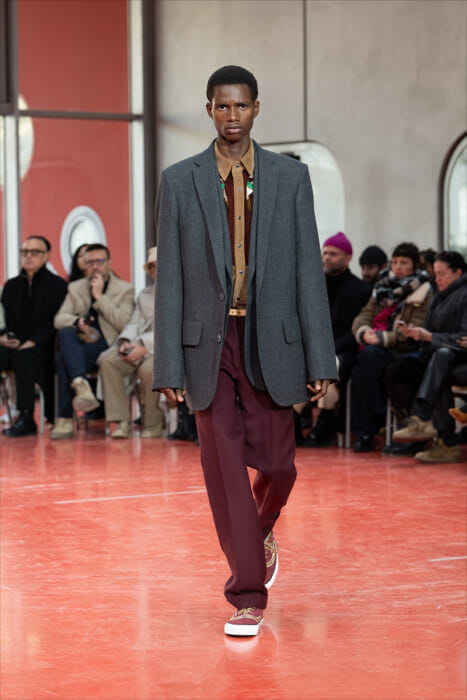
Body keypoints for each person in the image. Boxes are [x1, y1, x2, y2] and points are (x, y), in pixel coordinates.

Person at [152, 65, 336, 637]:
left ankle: (259, 529)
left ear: (257, 108)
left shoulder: (290, 177)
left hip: (271, 338)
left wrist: (321, 359)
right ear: (209, 109)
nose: (232, 116)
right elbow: (171, 278)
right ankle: (247, 595)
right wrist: (168, 364)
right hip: (206, 344)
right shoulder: (179, 180)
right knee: (225, 468)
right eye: (222, 106)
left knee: (279, 465)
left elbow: (308, 273)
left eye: (241, 106)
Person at [350, 242, 433, 452]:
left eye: (404, 262)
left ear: (415, 265)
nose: (398, 267)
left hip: (405, 349)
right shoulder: (382, 287)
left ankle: (369, 429)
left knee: (367, 361)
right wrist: (364, 333)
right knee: (359, 369)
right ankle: (368, 429)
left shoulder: (424, 290)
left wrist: (383, 338)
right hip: (377, 347)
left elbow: (415, 327)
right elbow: (363, 316)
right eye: (395, 262)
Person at [51, 243, 134, 439]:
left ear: (109, 263)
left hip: (107, 344)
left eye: (99, 261)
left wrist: (99, 296)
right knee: (65, 333)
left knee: (62, 359)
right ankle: (81, 384)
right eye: (90, 262)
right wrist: (77, 322)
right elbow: (58, 319)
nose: (95, 266)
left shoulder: (125, 289)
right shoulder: (76, 287)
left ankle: (64, 419)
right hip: (81, 344)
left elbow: (123, 323)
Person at [392, 251, 467, 462]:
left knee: (441, 360)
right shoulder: (439, 296)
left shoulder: (463, 294)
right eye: (435, 274)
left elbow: (463, 338)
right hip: (439, 356)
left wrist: (430, 337)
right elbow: (430, 332)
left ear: (458, 272)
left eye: (442, 274)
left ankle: (425, 424)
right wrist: (415, 335)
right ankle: (427, 431)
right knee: (397, 367)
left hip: (459, 359)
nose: (437, 279)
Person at [301, 231, 370, 446]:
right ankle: (294, 418)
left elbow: (355, 332)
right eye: (325, 253)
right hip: (314, 348)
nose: (327, 257)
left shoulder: (361, 290)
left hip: (344, 351)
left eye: (333, 254)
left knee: (330, 366)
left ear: (348, 258)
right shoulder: (313, 286)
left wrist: (326, 351)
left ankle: (325, 421)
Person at [0, 236, 67, 436]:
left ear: (46, 256)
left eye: (35, 252)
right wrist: (4, 336)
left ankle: (27, 417)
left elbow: (56, 323)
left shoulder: (57, 286)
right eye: (25, 252)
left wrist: (33, 341)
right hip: (13, 342)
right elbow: (5, 320)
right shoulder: (11, 286)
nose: (28, 256)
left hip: (43, 346)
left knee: (25, 357)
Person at [98, 247, 164, 439]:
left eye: (160, 265)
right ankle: (121, 421)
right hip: (141, 344)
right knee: (109, 361)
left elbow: (174, 331)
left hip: (164, 349)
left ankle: (153, 423)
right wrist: (126, 342)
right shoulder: (145, 294)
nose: (157, 270)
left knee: (149, 370)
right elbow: (135, 322)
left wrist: (144, 347)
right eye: (153, 266)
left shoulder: (183, 293)